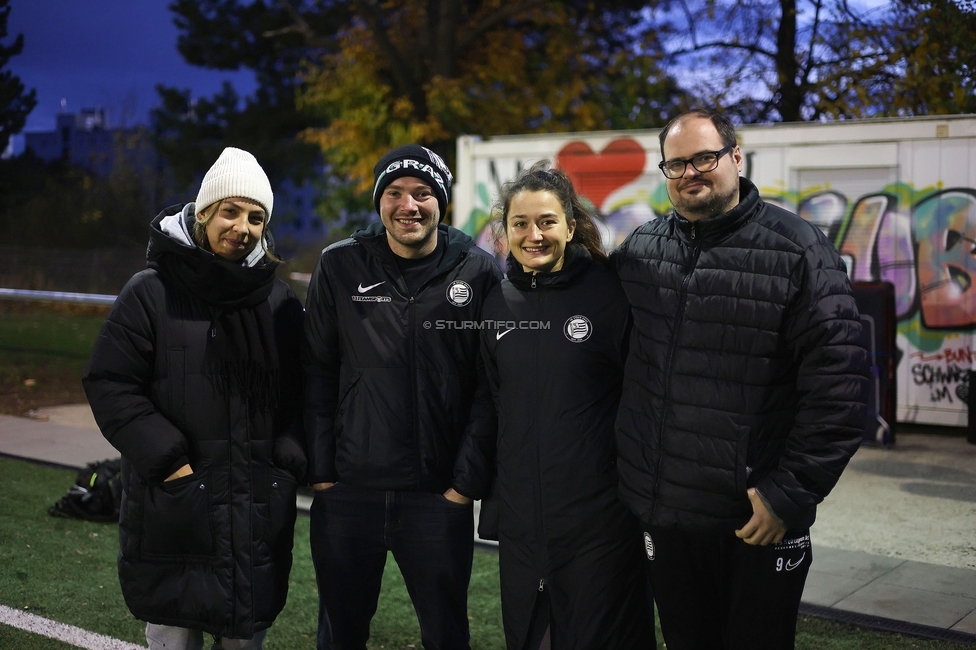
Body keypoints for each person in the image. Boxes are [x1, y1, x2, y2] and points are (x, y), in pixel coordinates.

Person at [612, 110, 870, 650]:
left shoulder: (799, 249)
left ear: (735, 157)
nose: (690, 172)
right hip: (667, 515)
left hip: (756, 519)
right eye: (676, 163)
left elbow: (841, 392)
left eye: (704, 157)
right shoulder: (641, 251)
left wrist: (787, 496)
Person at [82, 147, 306, 650]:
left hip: (254, 509)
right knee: (172, 634)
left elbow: (303, 391)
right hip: (176, 504)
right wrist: (169, 461)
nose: (241, 227)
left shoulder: (277, 300)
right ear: (204, 213)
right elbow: (110, 381)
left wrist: (287, 460)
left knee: (245, 634)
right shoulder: (150, 292)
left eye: (256, 217)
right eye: (230, 211)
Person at [303, 144, 501, 650]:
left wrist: (463, 485)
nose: (408, 205)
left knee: (446, 634)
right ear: (379, 201)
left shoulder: (478, 272)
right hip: (348, 494)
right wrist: (322, 474)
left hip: (437, 498)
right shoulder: (340, 266)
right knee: (340, 635)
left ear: (442, 202)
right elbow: (316, 373)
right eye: (394, 193)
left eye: (423, 193)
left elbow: (489, 388)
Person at [479, 162, 655, 650]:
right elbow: (495, 405)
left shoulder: (610, 294)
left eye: (547, 222)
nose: (533, 235)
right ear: (506, 229)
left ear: (571, 226)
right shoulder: (497, 303)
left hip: (601, 524)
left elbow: (642, 403)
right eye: (520, 224)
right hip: (524, 527)